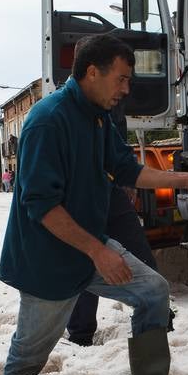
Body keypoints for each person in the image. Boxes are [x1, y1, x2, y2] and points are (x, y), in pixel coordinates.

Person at [0, 33, 188, 375]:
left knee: (153, 291)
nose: (126, 89)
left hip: (90, 248)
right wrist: (99, 252)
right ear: (93, 72)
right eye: (121, 79)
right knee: (27, 362)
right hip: (48, 260)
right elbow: (41, 205)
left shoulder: (98, 116)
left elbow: (127, 169)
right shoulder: (48, 120)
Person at [64, 100, 162, 347]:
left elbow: (119, 144)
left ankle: (158, 322)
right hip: (81, 194)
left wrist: (127, 181)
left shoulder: (115, 99)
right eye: (122, 79)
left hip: (112, 190)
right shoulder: (63, 109)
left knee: (142, 257)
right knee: (85, 260)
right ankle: (80, 336)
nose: (126, 89)